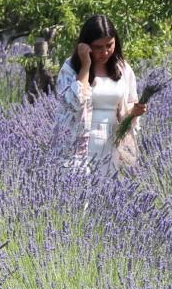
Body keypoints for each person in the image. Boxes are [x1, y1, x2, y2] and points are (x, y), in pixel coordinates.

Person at [53, 15, 147, 174]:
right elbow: (72, 104)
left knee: (110, 187)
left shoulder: (123, 69)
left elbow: (127, 109)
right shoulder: (71, 68)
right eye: (98, 47)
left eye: (109, 45)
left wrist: (135, 111)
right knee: (77, 187)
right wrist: (85, 66)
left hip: (111, 145)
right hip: (77, 145)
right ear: (86, 45)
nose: (105, 52)